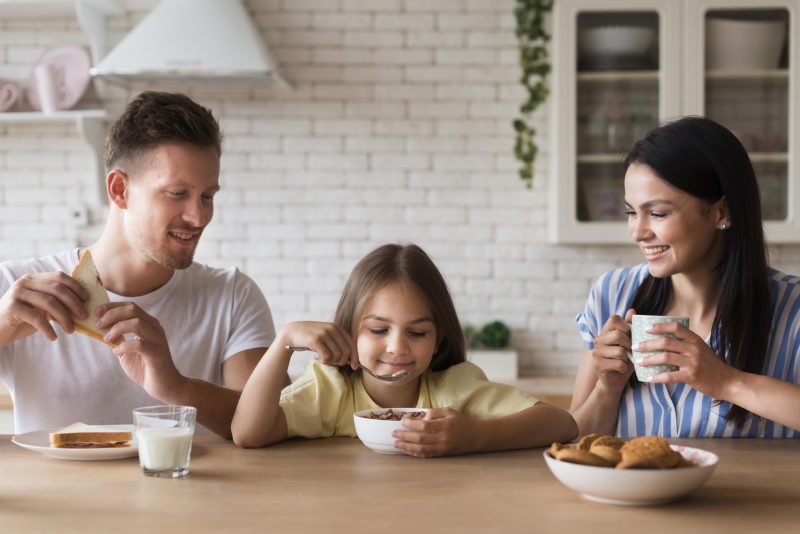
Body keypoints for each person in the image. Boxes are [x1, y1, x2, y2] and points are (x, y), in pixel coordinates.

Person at [0, 91, 276, 436]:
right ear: (119, 190)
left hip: (189, 490)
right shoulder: (14, 288)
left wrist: (176, 387)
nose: (199, 216)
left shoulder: (234, 295)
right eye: (177, 194)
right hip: (55, 492)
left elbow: (264, 426)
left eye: (207, 196)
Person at [571, 116, 800, 438]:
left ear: (722, 212)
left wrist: (727, 382)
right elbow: (576, 440)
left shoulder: (794, 309)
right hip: (637, 490)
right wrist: (608, 388)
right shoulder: (612, 293)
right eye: (631, 212)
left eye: (658, 213)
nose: (638, 232)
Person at [232, 243, 577, 456]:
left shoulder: (452, 388)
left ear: (438, 338)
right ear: (349, 330)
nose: (397, 347)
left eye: (417, 332)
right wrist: (284, 342)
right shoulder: (330, 390)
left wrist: (473, 436)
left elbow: (561, 423)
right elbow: (248, 433)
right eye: (379, 329)